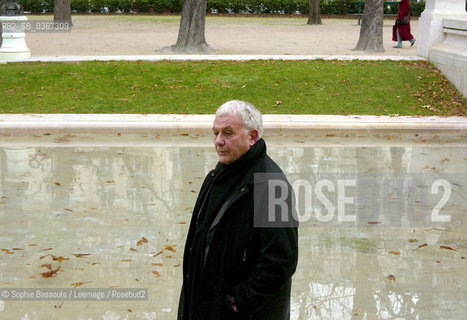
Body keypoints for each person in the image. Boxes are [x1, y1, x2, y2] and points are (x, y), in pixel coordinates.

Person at [177, 100, 298, 320]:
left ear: (252, 137)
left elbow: (280, 261)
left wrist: (243, 301)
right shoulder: (217, 176)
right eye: (215, 133)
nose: (218, 142)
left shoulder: (273, 187)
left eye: (228, 133)